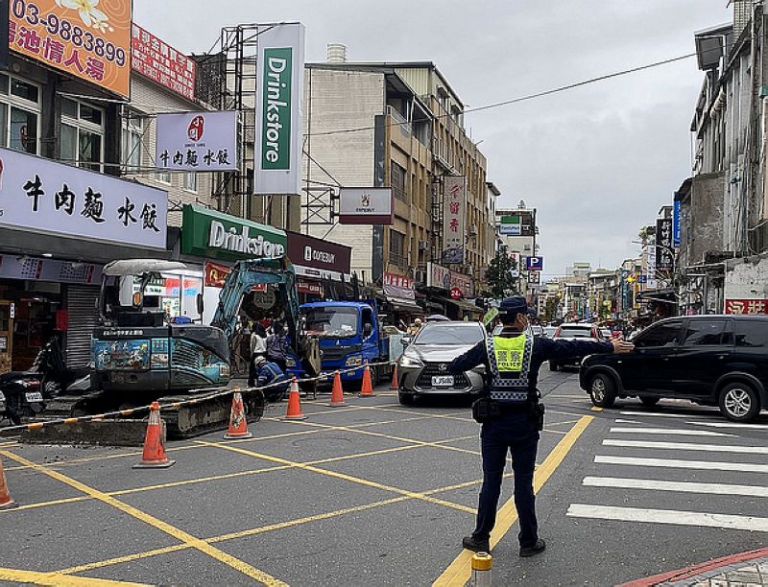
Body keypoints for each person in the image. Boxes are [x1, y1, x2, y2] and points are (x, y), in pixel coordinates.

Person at [451, 296, 634, 557]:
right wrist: (609, 346)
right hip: (524, 423)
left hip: (493, 425)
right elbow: (572, 347)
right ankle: (528, 541)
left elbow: (458, 365)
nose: (528, 319)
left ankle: (481, 537)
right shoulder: (535, 344)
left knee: (491, 481)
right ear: (520, 318)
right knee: (523, 483)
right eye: (526, 315)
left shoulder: (487, 346)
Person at [248, 323, 268, 387]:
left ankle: (251, 383)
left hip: (256, 353)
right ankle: (262, 381)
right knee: (263, 368)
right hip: (264, 353)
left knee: (252, 369)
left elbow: (252, 345)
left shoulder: (254, 335)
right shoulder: (266, 335)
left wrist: (251, 354)